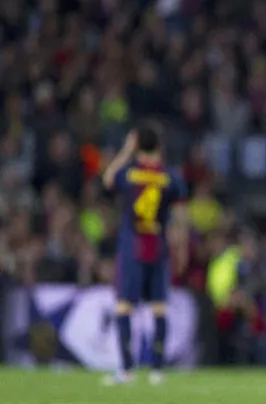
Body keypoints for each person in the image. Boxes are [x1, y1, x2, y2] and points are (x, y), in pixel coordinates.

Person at [101, 124, 187, 385]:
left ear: (137, 143)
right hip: (158, 248)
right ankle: (157, 371)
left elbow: (107, 179)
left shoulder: (129, 173)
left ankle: (126, 370)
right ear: (160, 145)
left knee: (124, 307)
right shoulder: (171, 176)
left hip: (132, 247)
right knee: (159, 307)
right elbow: (181, 218)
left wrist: (126, 150)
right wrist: (182, 249)